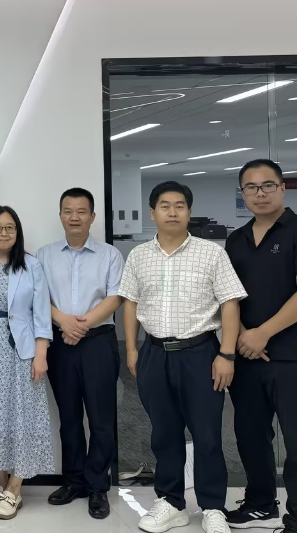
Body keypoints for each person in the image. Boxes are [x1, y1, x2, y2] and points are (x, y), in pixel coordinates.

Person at [119, 181, 246, 533]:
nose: (172, 212)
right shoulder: (138, 256)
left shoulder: (212, 253)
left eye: (179, 206)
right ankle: (171, 502)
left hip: (201, 354)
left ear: (189, 212)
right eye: (165, 206)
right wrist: (132, 348)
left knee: (207, 434)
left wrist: (227, 354)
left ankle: (212, 506)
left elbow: (230, 304)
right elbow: (130, 303)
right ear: (152, 213)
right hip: (154, 353)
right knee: (164, 433)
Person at [37, 188, 123, 520]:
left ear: (92, 216)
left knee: (101, 418)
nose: (74, 217)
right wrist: (64, 322)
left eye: (81, 211)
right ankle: (74, 481)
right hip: (60, 342)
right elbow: (38, 297)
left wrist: (81, 325)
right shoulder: (44, 255)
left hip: (98, 341)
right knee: (69, 417)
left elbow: (115, 297)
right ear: (60, 215)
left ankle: (98, 485)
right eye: (68, 211)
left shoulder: (110, 254)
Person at [0, 205, 55, 521]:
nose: (4, 233)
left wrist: (41, 353)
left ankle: (16, 487)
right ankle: (0, 482)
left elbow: (41, 313)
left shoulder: (31, 266)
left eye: (10, 228)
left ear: (17, 233)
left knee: (22, 416)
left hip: (21, 351)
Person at [225, 159, 297, 532]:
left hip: (290, 356)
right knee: (251, 434)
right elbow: (227, 297)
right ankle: (260, 503)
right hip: (247, 356)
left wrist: (262, 333)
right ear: (243, 193)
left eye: (268, 185)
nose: (260, 193)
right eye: (251, 187)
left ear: (282, 188)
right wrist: (241, 336)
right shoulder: (235, 240)